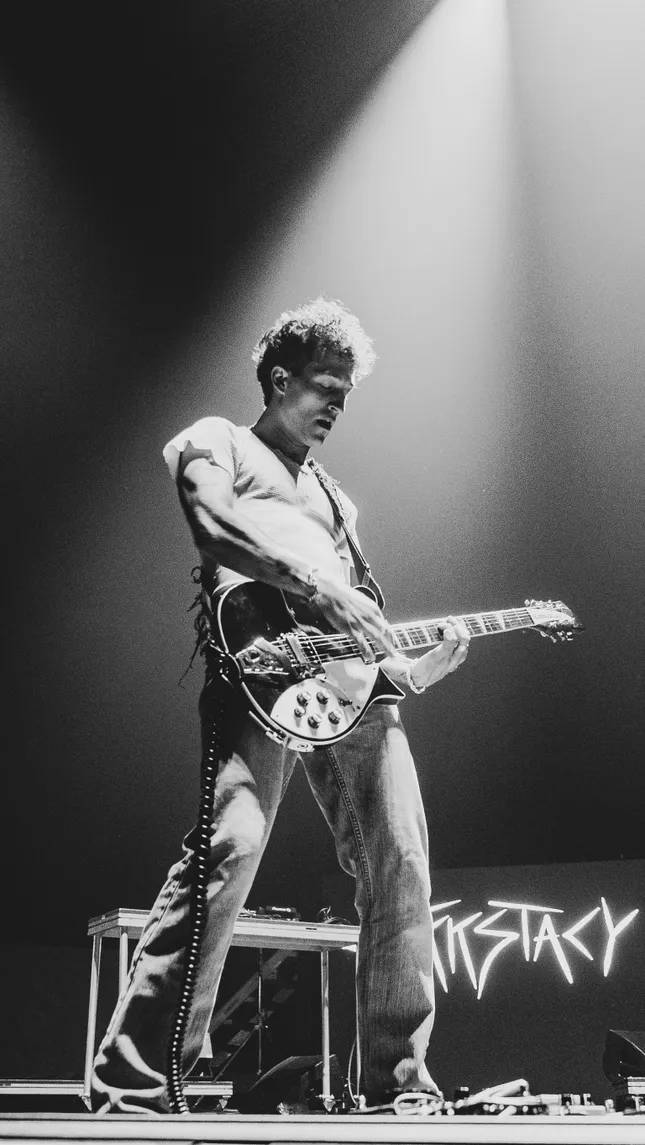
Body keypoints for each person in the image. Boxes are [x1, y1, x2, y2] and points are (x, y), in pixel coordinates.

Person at [91, 298, 470, 1114]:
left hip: (351, 690)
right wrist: (312, 587)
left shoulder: (335, 498)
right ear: (278, 377)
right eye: (326, 385)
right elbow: (210, 526)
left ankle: (398, 1083)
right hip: (258, 665)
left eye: (346, 393)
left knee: (401, 862)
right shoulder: (217, 440)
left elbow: (358, 624)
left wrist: (409, 672)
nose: (337, 404)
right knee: (227, 848)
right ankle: (134, 1079)